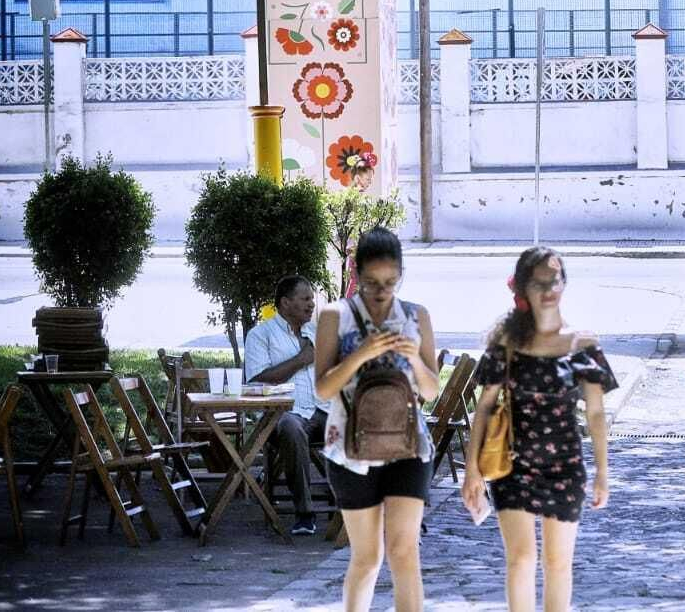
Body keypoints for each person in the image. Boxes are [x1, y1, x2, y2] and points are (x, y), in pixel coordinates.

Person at [462, 248, 615, 612]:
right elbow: (484, 407)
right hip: (513, 466)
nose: (549, 289)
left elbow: (595, 414)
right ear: (523, 288)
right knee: (520, 559)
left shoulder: (583, 343)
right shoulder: (507, 342)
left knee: (558, 563)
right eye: (540, 282)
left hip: (566, 466)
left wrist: (603, 473)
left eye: (556, 280)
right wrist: (471, 470)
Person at [315, 228, 440, 612]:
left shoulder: (416, 316)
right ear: (357, 274)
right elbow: (322, 388)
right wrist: (360, 354)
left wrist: (415, 357)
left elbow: (431, 389)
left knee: (404, 552)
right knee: (368, 556)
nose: (382, 291)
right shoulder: (336, 316)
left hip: (407, 445)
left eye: (390, 282)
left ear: (401, 274)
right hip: (351, 448)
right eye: (371, 283)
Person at [244, 274, 326, 535]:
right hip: (287, 414)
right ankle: (304, 513)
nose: (312, 304)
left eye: (312, 299)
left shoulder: (317, 333)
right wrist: (301, 359)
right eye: (305, 299)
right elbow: (256, 380)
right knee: (291, 428)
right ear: (286, 303)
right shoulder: (261, 334)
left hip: (324, 410)